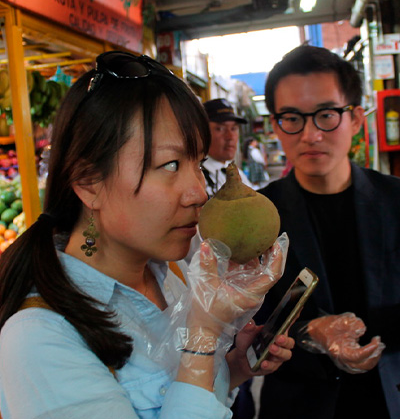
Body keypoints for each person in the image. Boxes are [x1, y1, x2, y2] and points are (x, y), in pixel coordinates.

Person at [0, 51, 294, 419]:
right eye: (169, 165)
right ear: (89, 182)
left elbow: (174, 396)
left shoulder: (169, 273)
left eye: (197, 163)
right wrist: (203, 337)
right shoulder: (38, 340)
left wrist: (234, 366)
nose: (199, 192)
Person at [253, 44, 400, 419]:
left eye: (325, 115)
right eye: (292, 118)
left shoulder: (397, 202)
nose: (310, 135)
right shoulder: (259, 217)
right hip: (299, 405)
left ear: (355, 119)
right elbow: (249, 327)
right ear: (275, 125)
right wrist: (310, 332)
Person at [201, 98, 253, 197]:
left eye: (234, 128)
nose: (230, 137)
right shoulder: (197, 176)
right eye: (220, 129)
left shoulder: (235, 173)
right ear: (202, 133)